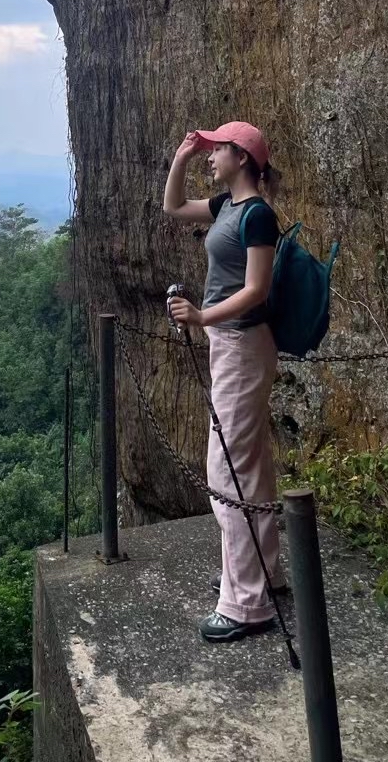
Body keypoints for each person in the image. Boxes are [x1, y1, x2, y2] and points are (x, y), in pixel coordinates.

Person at [163, 121, 284, 643]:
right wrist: (183, 157)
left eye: (218, 150)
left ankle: (244, 605)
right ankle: (264, 573)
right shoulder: (227, 207)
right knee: (249, 465)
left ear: (242, 156)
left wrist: (201, 316)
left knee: (227, 472)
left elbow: (257, 290)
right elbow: (172, 208)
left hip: (241, 343)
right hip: (229, 345)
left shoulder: (257, 215)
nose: (212, 156)